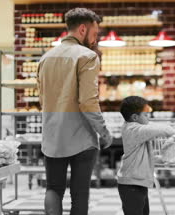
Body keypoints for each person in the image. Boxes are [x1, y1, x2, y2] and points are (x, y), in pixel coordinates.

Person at [37, 8, 113, 215]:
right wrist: (104, 133)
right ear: (82, 29)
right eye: (95, 33)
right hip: (81, 138)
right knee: (79, 194)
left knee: (53, 188)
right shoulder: (87, 56)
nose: (95, 39)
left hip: (52, 135)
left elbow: (42, 99)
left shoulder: (45, 58)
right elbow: (88, 102)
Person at [117, 96, 175, 215]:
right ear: (135, 117)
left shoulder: (134, 128)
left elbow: (141, 154)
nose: (148, 118)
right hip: (131, 185)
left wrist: (157, 159)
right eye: (145, 115)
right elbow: (164, 130)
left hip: (137, 183)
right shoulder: (134, 130)